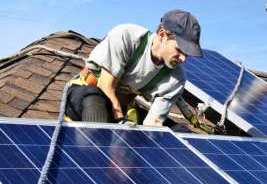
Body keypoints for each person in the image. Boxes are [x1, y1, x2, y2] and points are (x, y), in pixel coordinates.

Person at [66, 9, 202, 126]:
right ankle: (95, 149)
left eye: (187, 54)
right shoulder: (127, 37)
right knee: (95, 105)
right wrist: (120, 121)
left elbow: (153, 123)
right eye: (179, 50)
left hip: (122, 107)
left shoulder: (176, 79)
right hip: (86, 95)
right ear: (162, 35)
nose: (183, 59)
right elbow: (105, 86)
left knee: (175, 132)